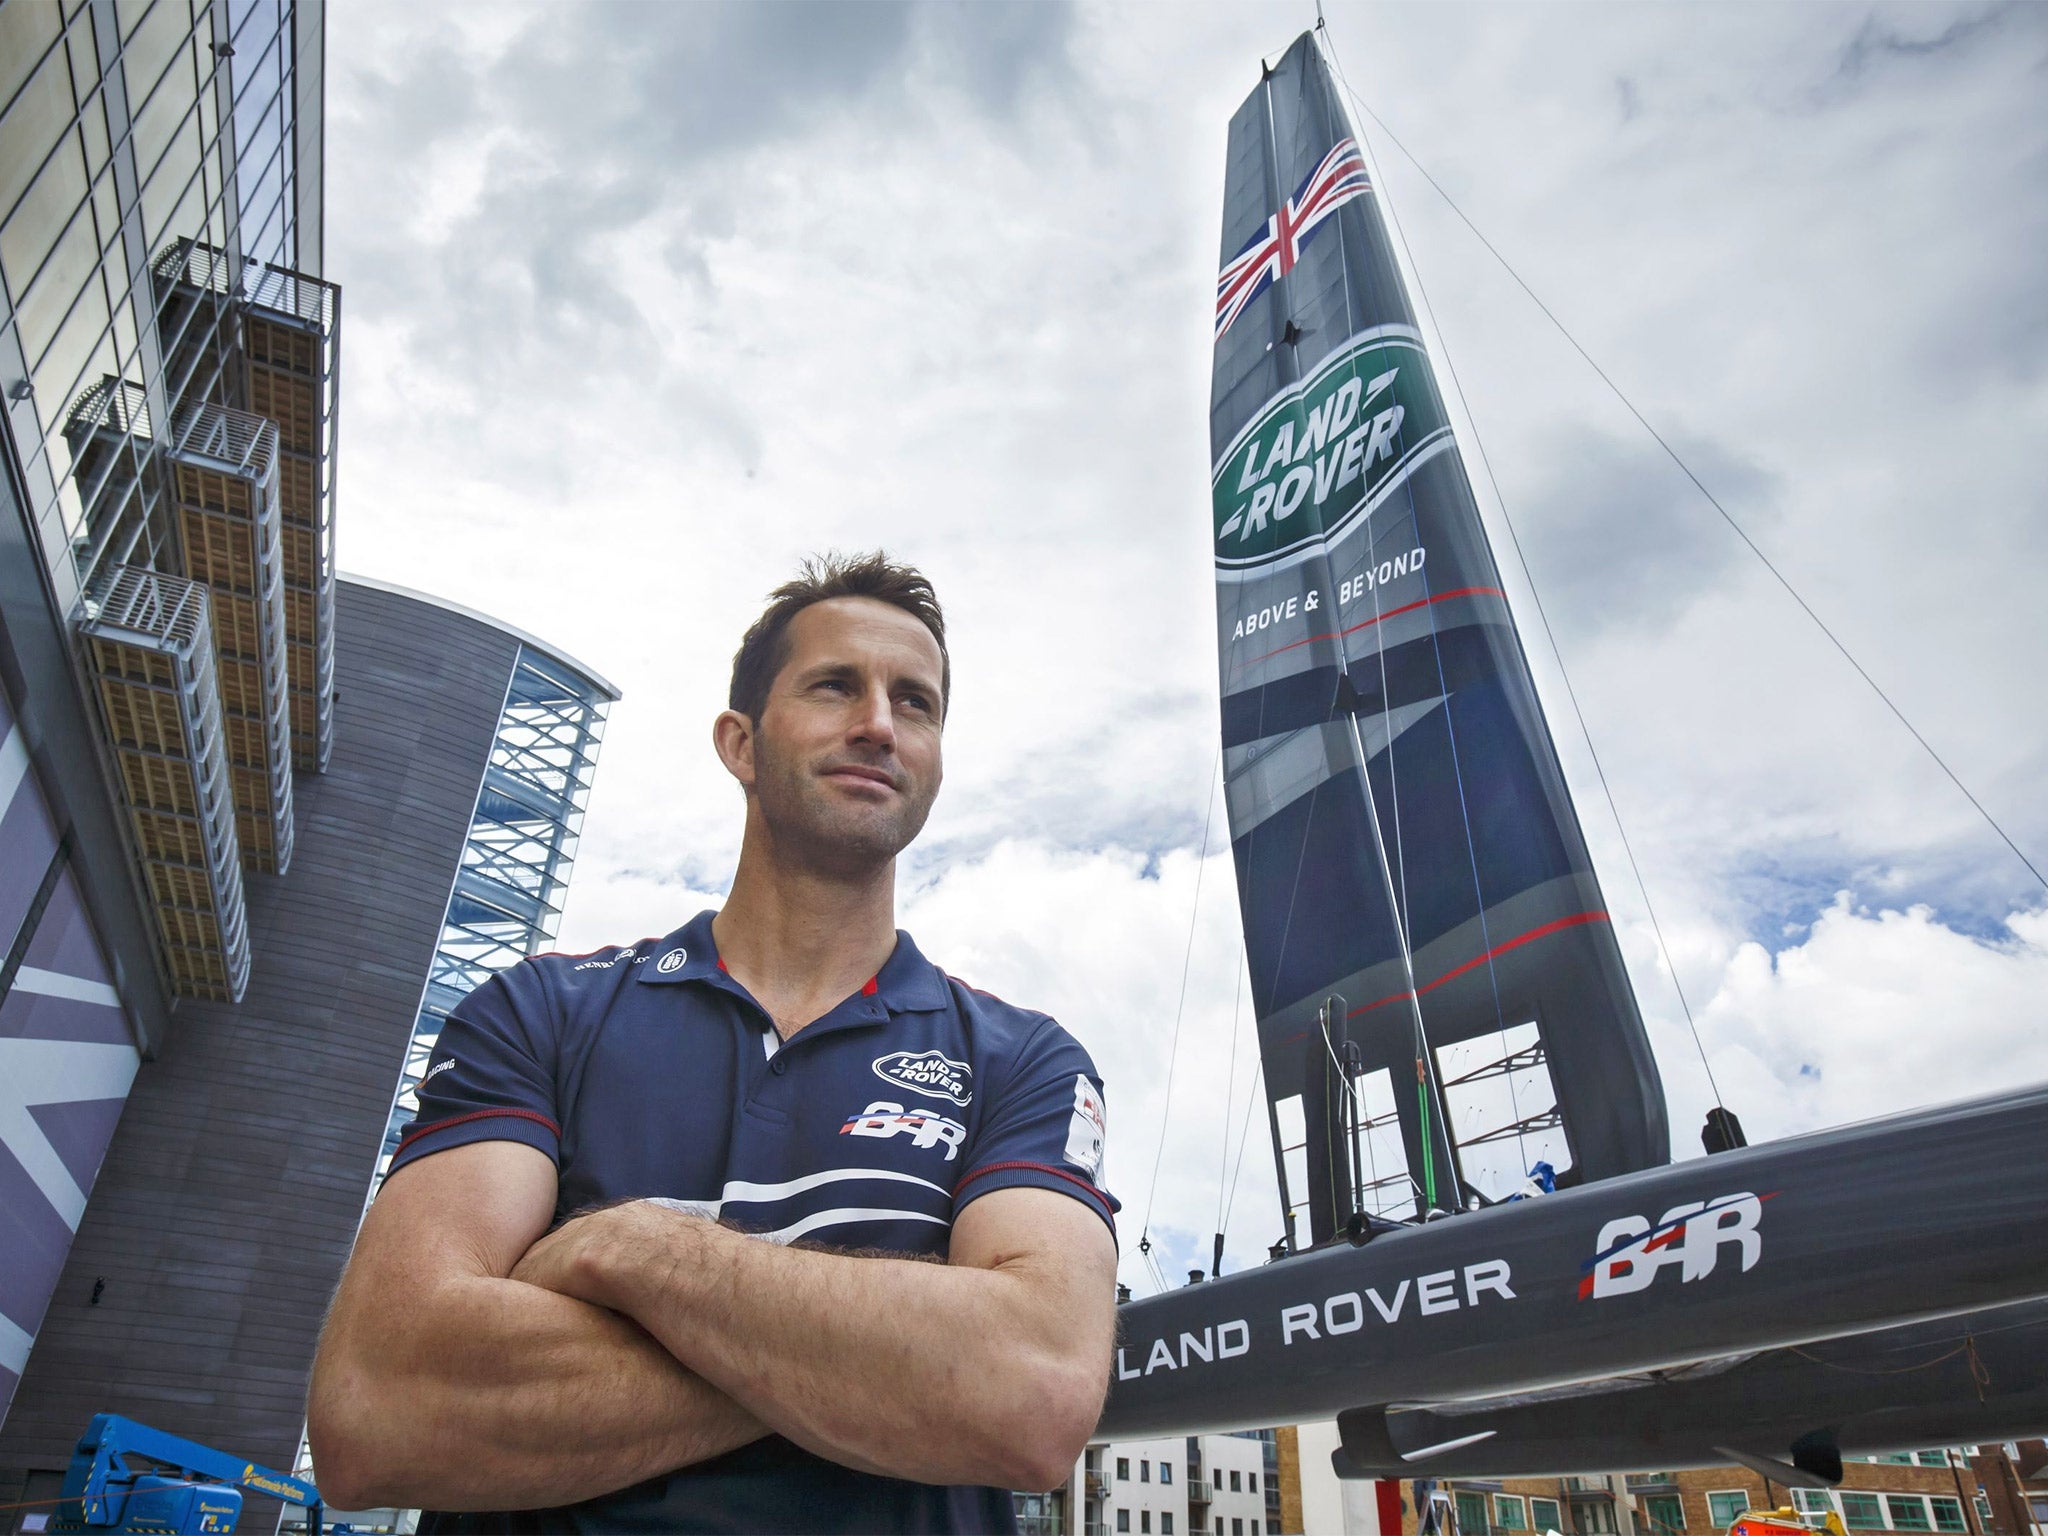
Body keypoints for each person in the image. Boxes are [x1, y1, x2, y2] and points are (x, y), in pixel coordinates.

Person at [308, 553, 1119, 1533]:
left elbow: (1029, 1401)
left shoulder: (1023, 1062)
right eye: (834, 686)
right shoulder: (539, 1014)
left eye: (916, 704)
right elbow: (381, 1407)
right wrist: (894, 1371)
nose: (878, 724)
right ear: (739, 742)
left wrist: (635, 1252)